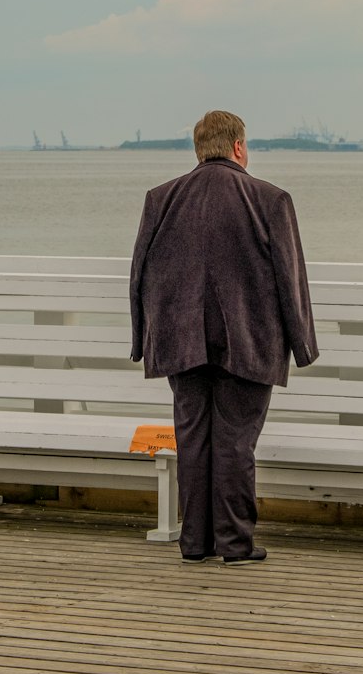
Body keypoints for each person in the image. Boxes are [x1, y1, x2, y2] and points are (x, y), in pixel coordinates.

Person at [129, 110, 318, 564]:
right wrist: (302, 346)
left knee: (192, 439)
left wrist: (142, 339)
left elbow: (138, 275)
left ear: (199, 149)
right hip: (250, 342)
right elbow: (289, 281)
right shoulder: (270, 200)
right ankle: (235, 544)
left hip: (179, 341)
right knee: (236, 442)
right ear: (238, 147)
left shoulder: (162, 199)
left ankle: (194, 543)